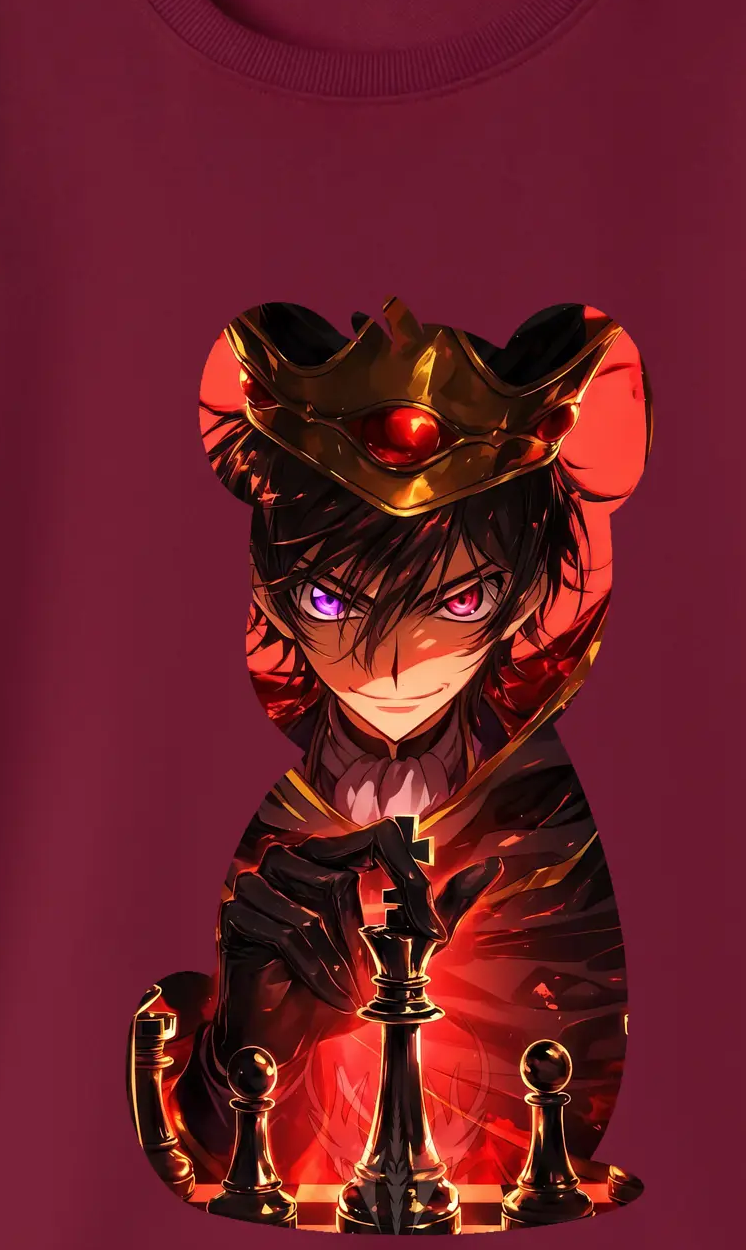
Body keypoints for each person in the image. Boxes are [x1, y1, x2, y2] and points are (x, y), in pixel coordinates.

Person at [150, 297, 651, 1202]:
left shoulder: (548, 819)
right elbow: (208, 1155)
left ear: (524, 598)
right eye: (329, 601)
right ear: (274, 595)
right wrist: (241, 1050)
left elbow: (585, 1084)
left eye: (458, 602)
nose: (386, 668)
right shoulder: (269, 819)